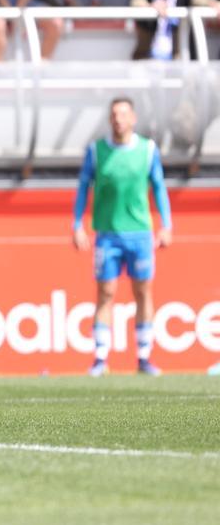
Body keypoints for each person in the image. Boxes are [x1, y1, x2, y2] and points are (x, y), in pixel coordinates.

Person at [73, 98, 172, 377]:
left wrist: (166, 225)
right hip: (107, 234)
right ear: (109, 119)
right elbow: (82, 188)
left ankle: (143, 357)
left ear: (133, 118)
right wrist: (77, 224)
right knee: (105, 293)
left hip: (140, 233)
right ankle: (100, 359)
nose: (118, 119)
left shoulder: (147, 150)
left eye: (123, 114)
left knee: (143, 292)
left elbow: (159, 188)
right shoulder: (96, 151)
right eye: (114, 114)